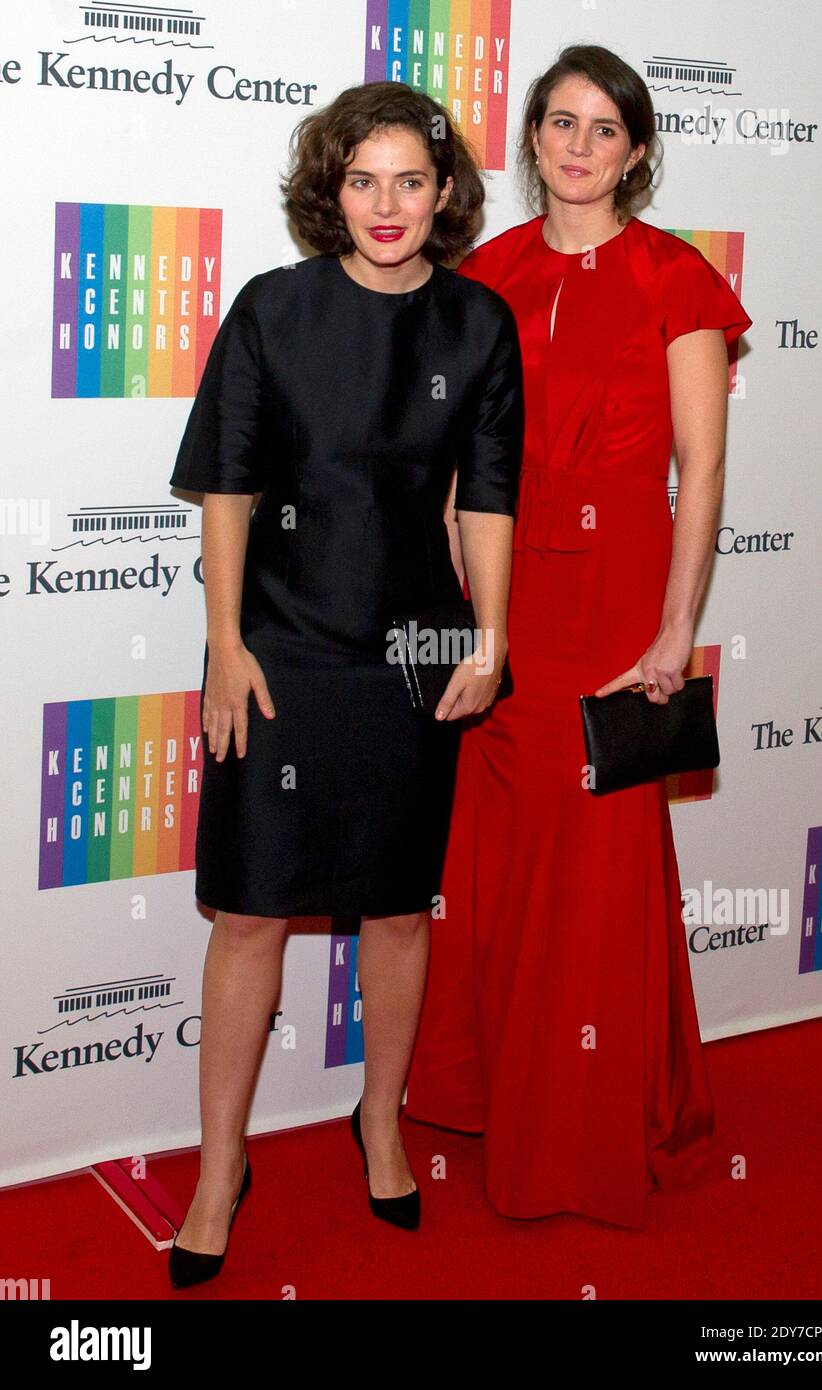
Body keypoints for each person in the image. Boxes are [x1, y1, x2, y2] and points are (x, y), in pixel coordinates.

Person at [166, 80, 524, 1286]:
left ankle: (380, 1118)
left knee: (394, 907)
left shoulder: (478, 326)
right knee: (252, 912)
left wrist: (489, 641)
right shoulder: (274, 308)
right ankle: (221, 1161)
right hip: (278, 644)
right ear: (330, 188)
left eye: (410, 181)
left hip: (413, 651)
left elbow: (486, 499)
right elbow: (225, 482)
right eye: (361, 180)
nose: (386, 204)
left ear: (444, 195)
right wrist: (225, 639)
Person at [405, 45, 753, 1228]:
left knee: (596, 862)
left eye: (605, 128)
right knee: (503, 858)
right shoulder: (486, 272)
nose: (578, 144)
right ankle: (500, 1093)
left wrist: (674, 631)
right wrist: (458, 561)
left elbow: (700, 469)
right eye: (560, 121)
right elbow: (460, 451)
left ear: (637, 150)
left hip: (616, 601)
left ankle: (588, 1133)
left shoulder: (674, 278)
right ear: (533, 138)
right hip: (508, 604)